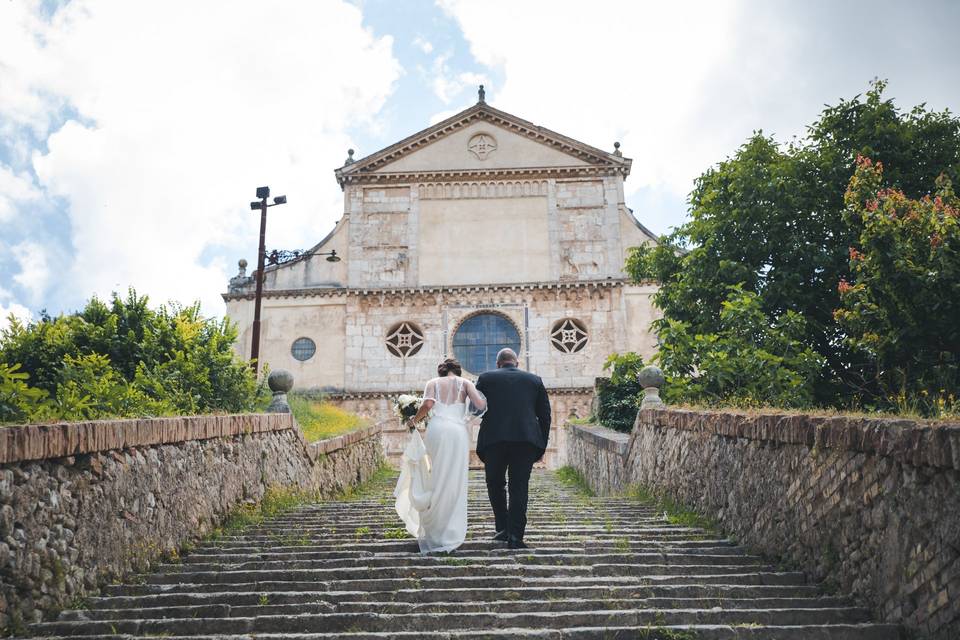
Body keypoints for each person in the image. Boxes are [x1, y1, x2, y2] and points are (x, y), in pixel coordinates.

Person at [394, 357, 486, 554]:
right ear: (458, 371)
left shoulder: (433, 383)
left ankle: (434, 527)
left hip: (437, 430)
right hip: (457, 432)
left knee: (437, 474)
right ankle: (450, 529)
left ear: (442, 371)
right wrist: (466, 418)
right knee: (455, 478)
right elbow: (480, 404)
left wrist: (413, 421)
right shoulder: (466, 383)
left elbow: (427, 405)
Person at [475, 348, 551, 549]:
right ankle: (516, 536)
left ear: (498, 363)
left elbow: (476, 409)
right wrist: (541, 445)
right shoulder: (534, 380)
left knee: (495, 484)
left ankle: (502, 528)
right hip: (525, 441)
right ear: (516, 363)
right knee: (519, 487)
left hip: (494, 440)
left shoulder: (485, 378)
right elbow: (545, 416)